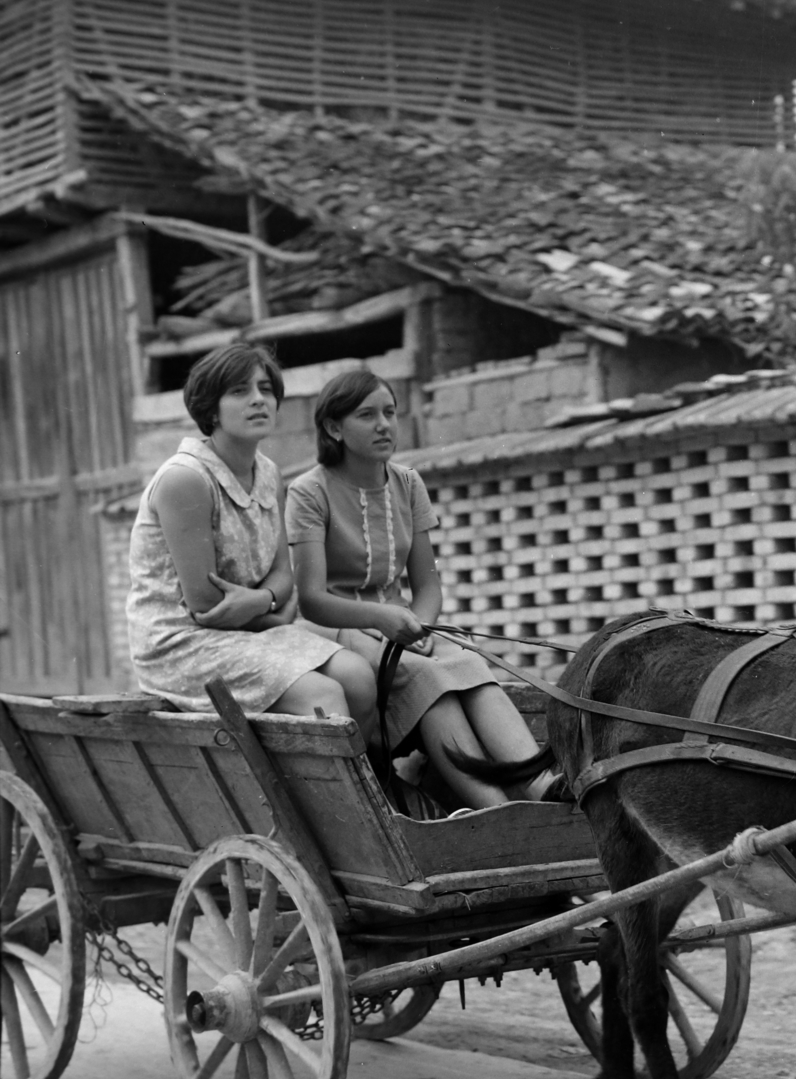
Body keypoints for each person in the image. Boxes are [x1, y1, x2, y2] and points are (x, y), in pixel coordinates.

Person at [286, 368, 544, 808]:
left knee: (467, 662)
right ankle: (494, 807)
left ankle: (539, 785)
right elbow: (311, 599)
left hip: (402, 624)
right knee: (425, 676)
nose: (384, 424)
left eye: (390, 412)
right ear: (333, 427)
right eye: (367, 415)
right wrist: (383, 620)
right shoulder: (308, 492)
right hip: (332, 628)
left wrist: (419, 625)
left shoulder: (407, 483)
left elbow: (427, 584)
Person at [126, 342, 377, 730]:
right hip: (182, 644)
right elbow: (207, 605)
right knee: (323, 697)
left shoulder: (269, 473)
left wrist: (263, 600)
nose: (259, 400)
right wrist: (274, 608)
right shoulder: (186, 479)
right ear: (210, 408)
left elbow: (283, 577)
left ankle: (356, 784)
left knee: (358, 679)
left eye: (266, 389)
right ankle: (344, 790)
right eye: (240, 391)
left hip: (250, 633)